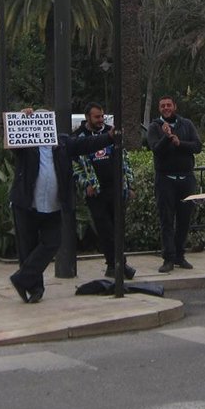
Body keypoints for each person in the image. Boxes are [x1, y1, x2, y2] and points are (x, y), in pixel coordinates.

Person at [8, 109, 113, 303]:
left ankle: (22, 278)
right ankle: (34, 289)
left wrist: (109, 137)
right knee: (28, 248)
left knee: (52, 242)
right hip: (27, 204)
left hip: (53, 205)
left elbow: (85, 144)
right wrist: (22, 118)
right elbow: (9, 140)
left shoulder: (63, 143)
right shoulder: (25, 143)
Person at [74, 103, 135, 279]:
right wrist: (86, 184)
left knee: (118, 229)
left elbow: (125, 159)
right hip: (96, 193)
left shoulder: (111, 132)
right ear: (88, 118)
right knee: (106, 230)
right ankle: (116, 264)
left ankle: (116, 265)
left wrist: (129, 184)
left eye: (102, 116)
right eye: (97, 117)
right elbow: (74, 166)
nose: (101, 120)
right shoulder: (79, 137)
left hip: (116, 189)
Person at [146, 95, 202, 273]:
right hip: (165, 180)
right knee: (167, 220)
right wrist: (167, 137)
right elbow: (155, 149)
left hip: (186, 179)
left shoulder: (187, 124)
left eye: (169, 105)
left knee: (184, 220)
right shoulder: (155, 127)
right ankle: (168, 258)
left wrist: (179, 143)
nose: (166, 108)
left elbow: (197, 146)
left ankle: (180, 255)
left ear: (175, 107)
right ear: (159, 108)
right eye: (162, 105)